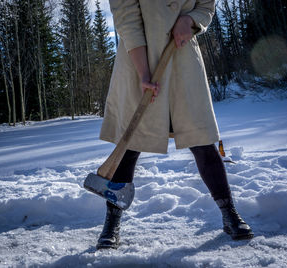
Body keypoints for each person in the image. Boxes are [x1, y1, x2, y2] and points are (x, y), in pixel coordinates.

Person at [96, 0, 253, 250]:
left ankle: (229, 213)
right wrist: (143, 73)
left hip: (183, 62)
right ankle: (111, 223)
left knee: (201, 140)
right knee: (129, 144)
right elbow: (126, 17)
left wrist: (189, 20)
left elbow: (206, 5)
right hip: (139, 62)